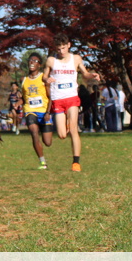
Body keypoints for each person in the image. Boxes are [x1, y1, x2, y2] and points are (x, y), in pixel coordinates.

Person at [42, 33, 101, 172]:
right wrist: (47, 79)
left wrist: (92, 75)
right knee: (62, 134)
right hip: (58, 99)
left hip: (72, 98)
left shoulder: (76, 59)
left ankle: (76, 163)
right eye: (58, 49)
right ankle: (67, 123)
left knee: (74, 130)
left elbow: (84, 74)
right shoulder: (51, 60)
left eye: (63, 48)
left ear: (68, 45)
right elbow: (44, 76)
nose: (61, 51)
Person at [20, 52, 51, 169]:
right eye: (30, 60)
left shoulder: (43, 78)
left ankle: (43, 131)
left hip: (44, 111)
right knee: (34, 132)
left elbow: (50, 97)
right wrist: (18, 102)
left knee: (48, 142)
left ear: (40, 65)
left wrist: (48, 112)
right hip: (30, 110)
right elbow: (24, 98)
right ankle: (42, 162)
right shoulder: (24, 80)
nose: (32, 62)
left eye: (35, 61)